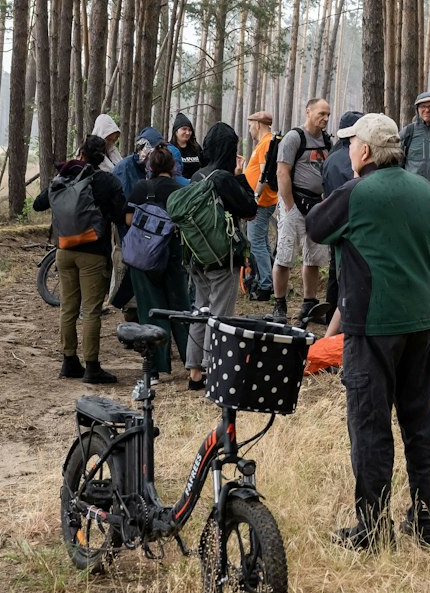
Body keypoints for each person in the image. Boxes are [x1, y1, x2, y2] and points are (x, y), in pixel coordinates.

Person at [308, 113, 430, 549]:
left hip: (371, 327)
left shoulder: (356, 192)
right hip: (422, 324)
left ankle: (372, 530)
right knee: (418, 424)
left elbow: (316, 227)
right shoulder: (427, 191)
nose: (348, 150)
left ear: (366, 151)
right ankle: (426, 521)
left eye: (352, 144)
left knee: (370, 427)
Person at [33, 133, 129, 384]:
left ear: (81, 154)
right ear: (104, 157)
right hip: (93, 254)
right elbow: (121, 215)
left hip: (64, 251)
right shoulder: (107, 181)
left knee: (68, 307)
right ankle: (92, 367)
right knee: (91, 310)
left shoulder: (64, 176)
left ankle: (68, 361)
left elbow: (38, 204)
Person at [181, 122, 261, 394]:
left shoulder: (196, 177)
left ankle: (194, 371)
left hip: (196, 257)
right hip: (223, 259)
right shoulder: (224, 178)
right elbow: (250, 209)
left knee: (200, 309)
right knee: (220, 315)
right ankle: (213, 368)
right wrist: (239, 176)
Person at [123, 146, 192, 376]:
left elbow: (129, 219)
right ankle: (191, 363)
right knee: (180, 309)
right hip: (172, 254)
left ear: (150, 165)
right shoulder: (182, 188)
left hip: (143, 258)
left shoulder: (142, 187)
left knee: (150, 311)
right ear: (173, 167)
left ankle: (154, 368)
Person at [273, 97, 334, 324]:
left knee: (314, 256)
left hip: (317, 206)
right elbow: (282, 172)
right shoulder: (293, 138)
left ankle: (309, 304)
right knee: (285, 256)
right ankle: (280, 304)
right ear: (308, 111)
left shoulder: (326, 140)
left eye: (327, 114)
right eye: (321, 114)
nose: (325, 119)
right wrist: (289, 206)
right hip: (293, 204)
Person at [319, 111, 363, 329]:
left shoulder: (331, 158)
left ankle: (331, 322)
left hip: (334, 223)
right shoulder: (351, 157)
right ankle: (342, 325)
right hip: (352, 225)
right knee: (348, 275)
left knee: (335, 272)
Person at [242, 111, 278, 300]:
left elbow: (265, 174)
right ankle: (271, 279)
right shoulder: (265, 142)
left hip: (261, 203)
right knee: (261, 242)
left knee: (256, 244)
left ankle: (266, 285)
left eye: (251, 125)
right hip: (263, 202)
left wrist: (255, 197)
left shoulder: (266, 143)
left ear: (258, 124)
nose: (250, 129)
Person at [168, 112, 203, 178]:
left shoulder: (196, 148)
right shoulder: (169, 149)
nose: (187, 133)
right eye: (184, 129)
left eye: (190, 130)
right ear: (176, 131)